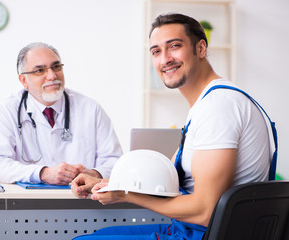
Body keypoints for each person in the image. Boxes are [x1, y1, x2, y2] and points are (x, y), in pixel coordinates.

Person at [71, 13, 274, 239]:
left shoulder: (218, 107)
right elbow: (164, 183)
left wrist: (125, 195)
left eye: (174, 46)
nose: (165, 59)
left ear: (201, 49)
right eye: (156, 51)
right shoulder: (207, 103)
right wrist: (106, 184)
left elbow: (205, 211)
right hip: (190, 229)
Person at [0, 42, 123, 185]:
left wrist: (94, 173)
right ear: (23, 80)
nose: (52, 75)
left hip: (82, 201)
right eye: (40, 70)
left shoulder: (90, 109)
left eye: (56, 67)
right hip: (27, 203)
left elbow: (115, 162)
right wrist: (43, 173)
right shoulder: (8, 110)